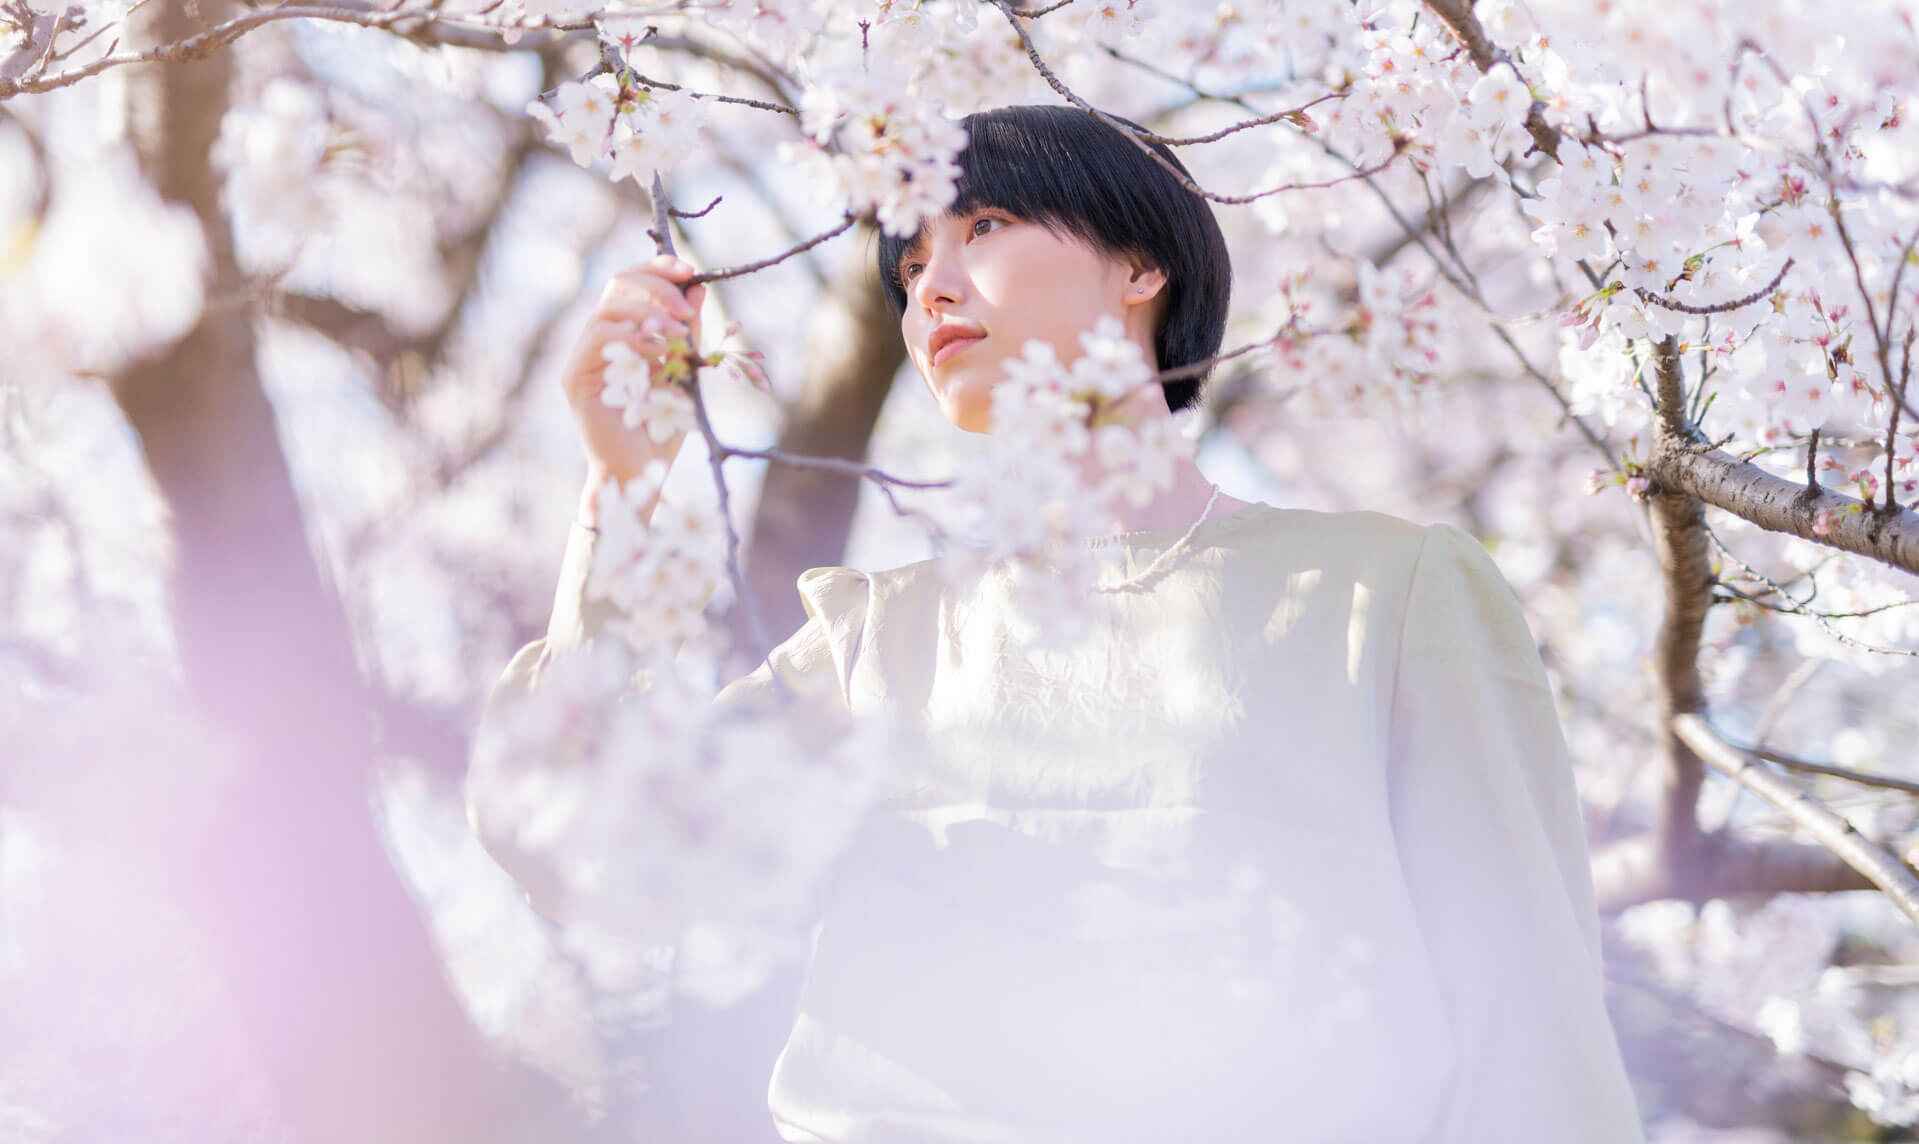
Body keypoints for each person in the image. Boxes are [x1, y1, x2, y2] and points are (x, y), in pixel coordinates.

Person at [467, 104, 1646, 1142]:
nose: (930, 285)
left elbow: (1528, 1029)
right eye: (911, 261)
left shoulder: (1380, 597)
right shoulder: (872, 645)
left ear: (1141, 264)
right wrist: (623, 481)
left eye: (979, 228)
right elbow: (592, 849)